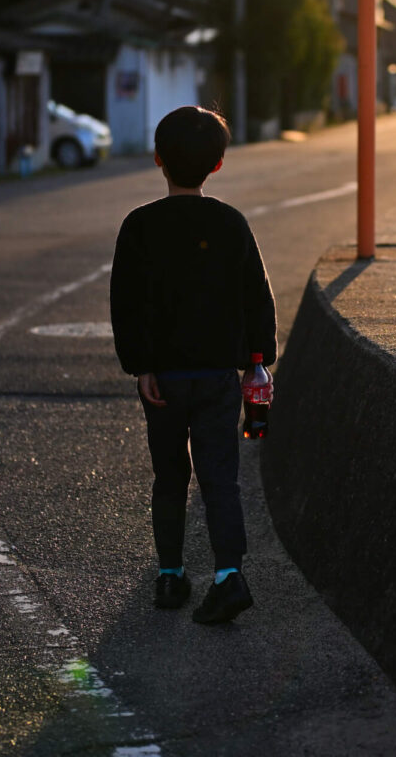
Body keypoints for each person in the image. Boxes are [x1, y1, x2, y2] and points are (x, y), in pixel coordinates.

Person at [109, 105, 277, 625]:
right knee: (220, 478)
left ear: (158, 160)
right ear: (218, 165)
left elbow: (126, 304)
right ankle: (228, 575)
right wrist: (257, 361)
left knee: (169, 475)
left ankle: (170, 574)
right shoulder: (230, 223)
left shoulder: (139, 226)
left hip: (162, 380)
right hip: (217, 377)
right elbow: (257, 298)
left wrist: (140, 365)